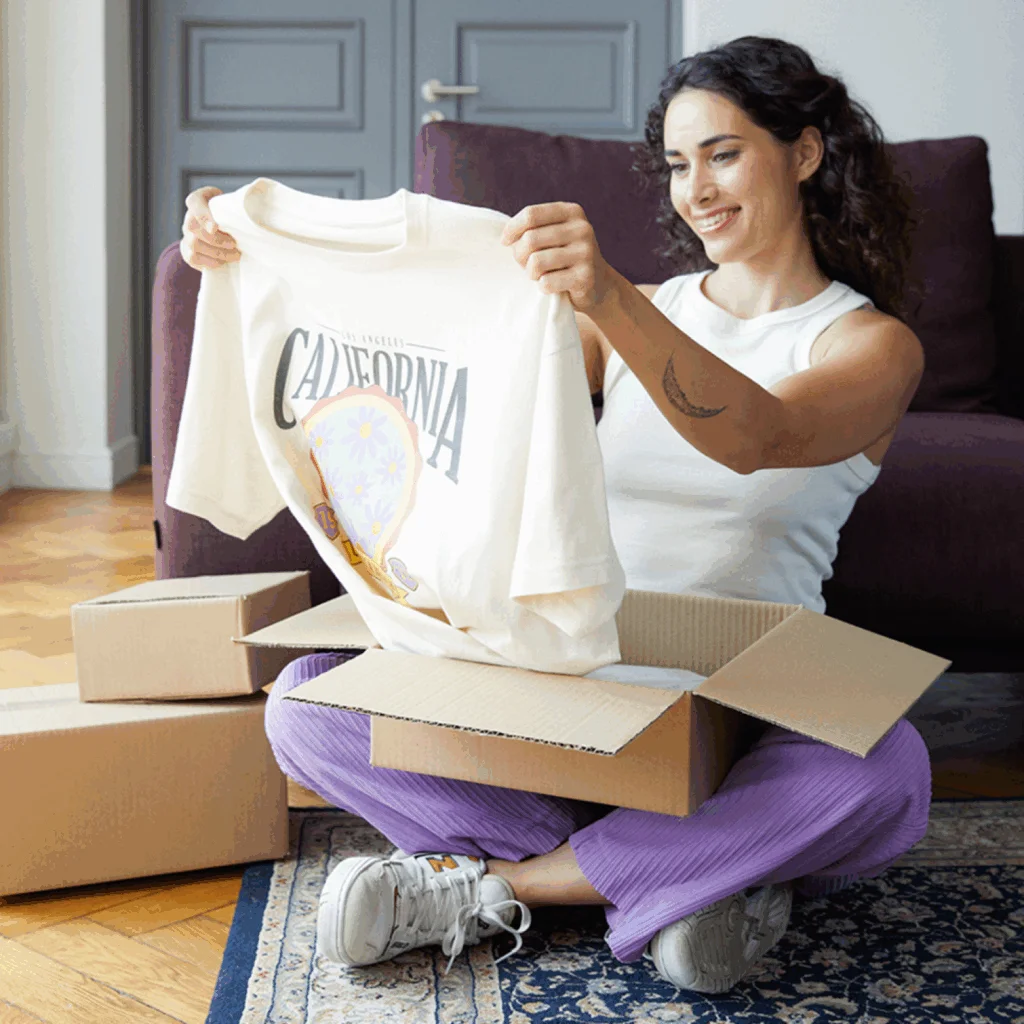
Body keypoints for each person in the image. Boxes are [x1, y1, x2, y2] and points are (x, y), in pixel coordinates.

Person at [179, 36, 930, 994]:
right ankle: (689, 875)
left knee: (891, 768)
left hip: (741, 707)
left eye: (725, 153)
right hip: (576, 690)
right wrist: (258, 255)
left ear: (806, 153)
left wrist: (611, 295)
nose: (695, 188)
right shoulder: (634, 315)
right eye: (675, 163)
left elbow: (760, 435)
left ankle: (500, 889)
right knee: (305, 705)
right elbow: (443, 353)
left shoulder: (871, 344)